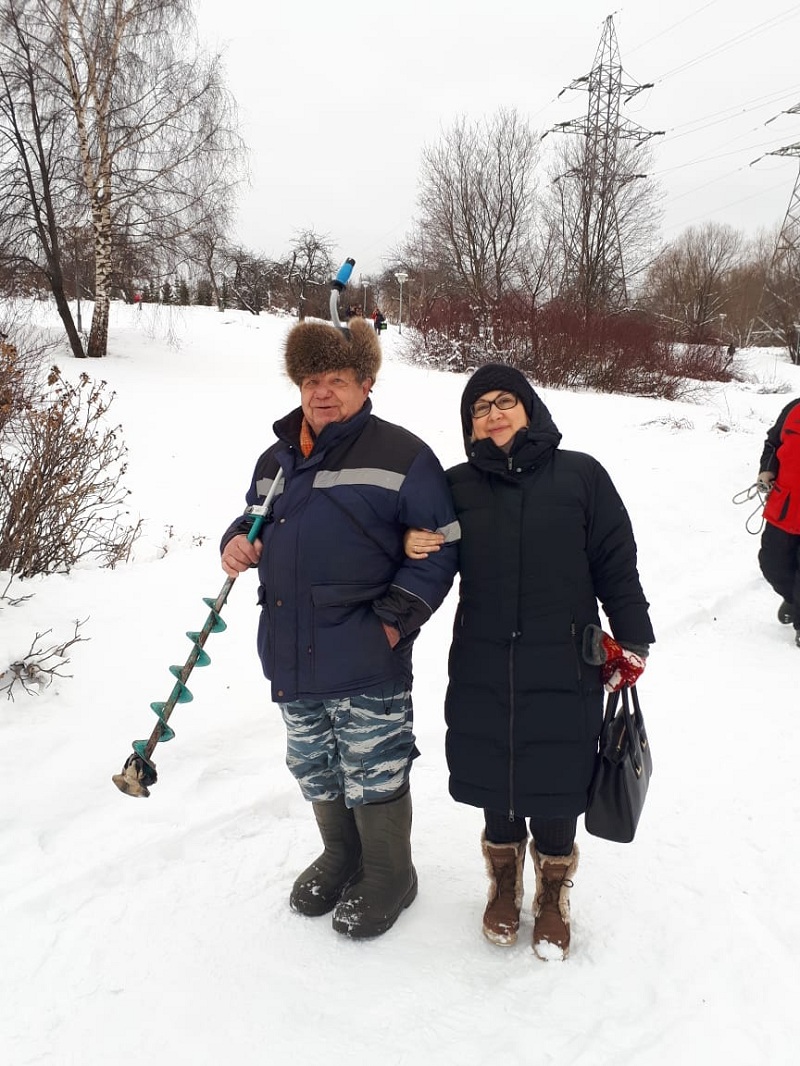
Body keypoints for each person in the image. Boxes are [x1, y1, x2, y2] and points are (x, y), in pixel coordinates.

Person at [404, 364, 654, 961]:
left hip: (565, 655)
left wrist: (633, 639)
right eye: (479, 407)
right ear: (469, 425)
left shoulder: (581, 476)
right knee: (495, 767)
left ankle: (551, 893)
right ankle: (503, 884)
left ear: (530, 407)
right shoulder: (457, 484)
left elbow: (616, 560)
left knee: (559, 776)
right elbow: (426, 541)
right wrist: (408, 541)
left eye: (504, 401)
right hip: (484, 656)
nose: (493, 413)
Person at [220, 316, 459, 939]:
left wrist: (389, 626)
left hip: (364, 651)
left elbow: (441, 549)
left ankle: (388, 872)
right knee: (315, 765)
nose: (321, 392)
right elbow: (253, 519)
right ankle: (342, 853)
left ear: (366, 382)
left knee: (374, 765)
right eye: (309, 380)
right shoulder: (276, 458)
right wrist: (236, 544)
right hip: (289, 650)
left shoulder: (402, 454)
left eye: (336, 379)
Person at [756, 396, 800, 646]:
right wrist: (767, 469)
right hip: (786, 508)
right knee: (771, 564)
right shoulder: (794, 408)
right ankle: (794, 599)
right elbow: (773, 444)